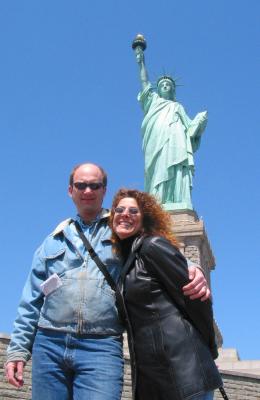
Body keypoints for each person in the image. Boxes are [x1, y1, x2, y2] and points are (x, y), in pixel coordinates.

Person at [5, 163, 211, 400]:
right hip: (49, 343)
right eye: (81, 185)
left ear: (104, 191)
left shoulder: (121, 228)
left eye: (95, 185)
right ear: (70, 190)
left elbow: (156, 246)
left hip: (100, 346)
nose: (88, 191)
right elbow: (31, 300)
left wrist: (192, 268)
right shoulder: (53, 241)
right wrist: (18, 350)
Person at [110, 188, 223, 400]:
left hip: (184, 375)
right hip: (157, 379)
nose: (125, 214)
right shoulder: (128, 260)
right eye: (119, 209)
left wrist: (209, 349)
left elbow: (197, 300)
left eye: (133, 211)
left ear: (145, 219)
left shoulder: (152, 246)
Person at [135, 45, 207, 210]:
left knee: (177, 167)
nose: (166, 86)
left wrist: (199, 123)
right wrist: (141, 63)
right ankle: (157, 203)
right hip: (156, 141)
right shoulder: (153, 101)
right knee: (158, 168)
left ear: (173, 90)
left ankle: (177, 198)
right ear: (158, 89)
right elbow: (144, 82)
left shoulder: (178, 107)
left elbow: (190, 130)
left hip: (177, 140)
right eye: (163, 84)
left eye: (169, 85)